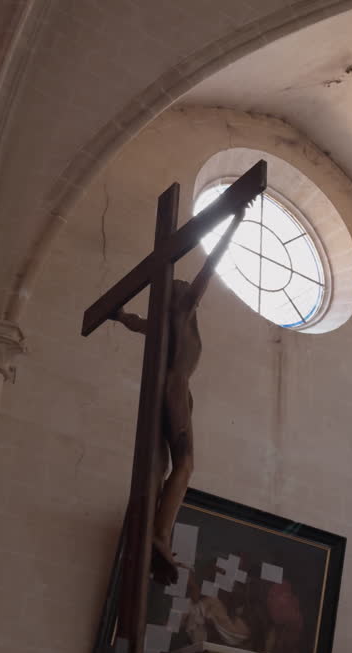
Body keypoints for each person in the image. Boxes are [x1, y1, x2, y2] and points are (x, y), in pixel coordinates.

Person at [111, 207, 247, 585]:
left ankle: (155, 532)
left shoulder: (158, 323)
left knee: (168, 467)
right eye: (182, 285)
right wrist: (233, 222)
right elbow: (209, 269)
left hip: (174, 390)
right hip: (175, 387)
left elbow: (131, 320)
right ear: (178, 296)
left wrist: (119, 314)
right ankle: (159, 534)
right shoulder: (183, 310)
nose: (188, 286)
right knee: (184, 465)